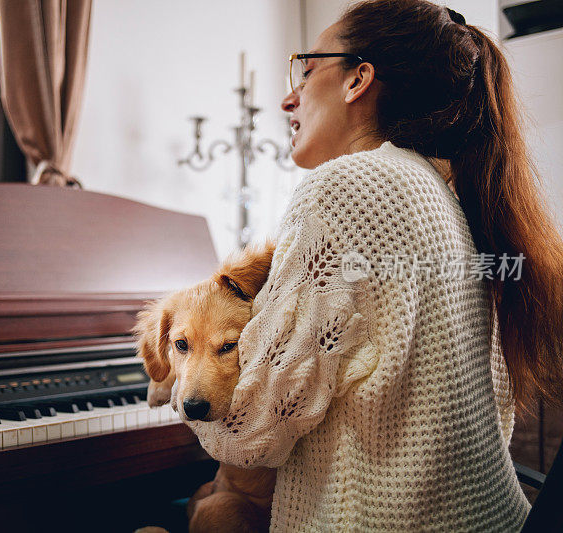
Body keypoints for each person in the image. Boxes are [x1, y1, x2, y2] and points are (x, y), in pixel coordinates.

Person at [182, 0, 563, 530]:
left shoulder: (345, 188)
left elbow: (251, 429)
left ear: (358, 79)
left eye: (307, 70)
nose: (288, 97)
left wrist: (177, 386)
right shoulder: (450, 190)